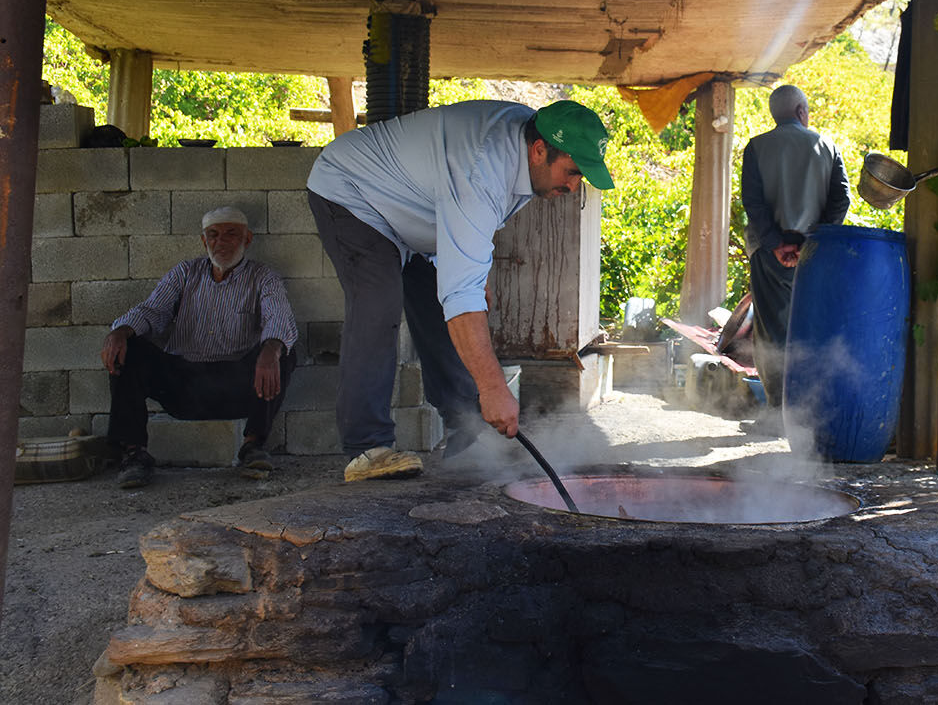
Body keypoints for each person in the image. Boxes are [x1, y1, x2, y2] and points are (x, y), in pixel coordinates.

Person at [306, 99, 614, 482]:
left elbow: (478, 229)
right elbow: (462, 290)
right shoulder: (482, 166)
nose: (573, 186)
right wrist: (494, 387)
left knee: (445, 309)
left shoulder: (524, 152)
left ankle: (468, 434)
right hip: (353, 192)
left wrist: (473, 277)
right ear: (539, 151)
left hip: (416, 214)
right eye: (571, 172)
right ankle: (367, 448)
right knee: (378, 306)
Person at [102, 207, 299, 489]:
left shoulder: (263, 277)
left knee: (283, 350)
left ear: (248, 239)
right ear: (204, 241)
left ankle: (253, 445)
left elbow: (278, 317)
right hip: (183, 384)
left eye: (232, 234)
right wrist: (120, 331)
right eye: (214, 235)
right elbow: (153, 311)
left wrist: (272, 349)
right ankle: (133, 454)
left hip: (238, 384)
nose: (222, 242)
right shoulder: (185, 272)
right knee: (128, 349)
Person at [740, 84, 851, 431]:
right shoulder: (827, 146)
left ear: (775, 114)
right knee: (811, 327)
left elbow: (753, 203)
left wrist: (776, 243)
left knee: (772, 331)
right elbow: (841, 199)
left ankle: (777, 414)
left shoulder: (757, 147)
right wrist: (810, 241)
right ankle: (810, 413)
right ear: (802, 111)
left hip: (768, 255)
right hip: (815, 254)